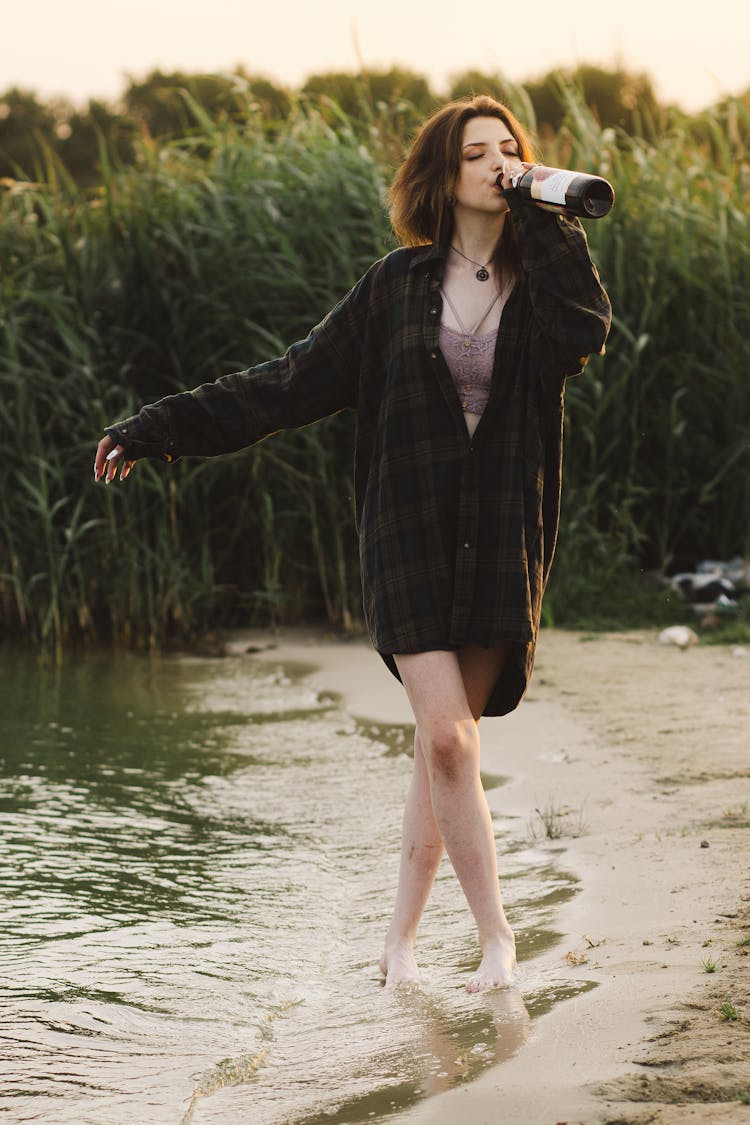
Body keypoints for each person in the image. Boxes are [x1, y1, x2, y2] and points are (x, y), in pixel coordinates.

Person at [94, 95, 611, 992]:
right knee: (449, 743)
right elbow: (286, 384)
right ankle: (498, 940)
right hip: (406, 532)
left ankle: (399, 947)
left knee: (437, 747)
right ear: (444, 176)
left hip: (498, 537)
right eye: (477, 154)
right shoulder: (395, 286)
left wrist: (549, 211)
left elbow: (585, 335)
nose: (497, 164)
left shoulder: (545, 283)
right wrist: (156, 428)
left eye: (510, 151)